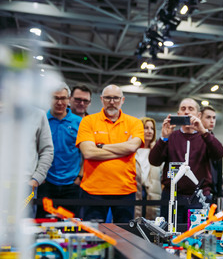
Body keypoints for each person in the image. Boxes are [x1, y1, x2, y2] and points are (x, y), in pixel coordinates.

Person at [149, 98, 223, 223]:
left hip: (199, 197)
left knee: (197, 237)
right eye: (183, 109)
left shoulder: (205, 137)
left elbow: (219, 154)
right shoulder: (171, 136)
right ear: (178, 114)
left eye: (191, 109)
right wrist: (163, 138)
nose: (186, 112)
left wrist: (204, 132)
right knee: (170, 236)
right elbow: (154, 161)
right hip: (172, 196)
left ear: (198, 115)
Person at [76, 84, 144, 223]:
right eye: (108, 98)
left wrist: (100, 146)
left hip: (125, 190)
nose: (112, 102)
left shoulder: (134, 123)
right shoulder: (88, 121)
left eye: (115, 98)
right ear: (101, 99)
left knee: (125, 238)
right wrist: (123, 150)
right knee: (93, 239)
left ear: (122, 100)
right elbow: (88, 152)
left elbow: (132, 147)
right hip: (93, 191)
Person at [36, 83, 82, 218]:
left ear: (69, 99)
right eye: (55, 98)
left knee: (70, 225)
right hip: (46, 182)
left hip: (71, 183)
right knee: (43, 223)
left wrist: (80, 176)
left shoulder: (79, 122)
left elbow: (84, 153)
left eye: (63, 98)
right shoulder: (41, 119)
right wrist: (39, 175)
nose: (60, 102)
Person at [28, 107, 54, 216]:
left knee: (25, 229)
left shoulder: (38, 115)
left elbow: (47, 150)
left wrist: (36, 179)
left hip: (27, 185)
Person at [134, 117, 162, 220]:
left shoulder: (157, 151)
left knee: (151, 223)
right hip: (135, 192)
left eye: (152, 128)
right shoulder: (132, 150)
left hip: (153, 195)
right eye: (146, 128)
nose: (149, 131)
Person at [201, 105, 223, 201]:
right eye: (208, 117)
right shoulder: (194, 141)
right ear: (199, 117)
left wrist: (219, 193)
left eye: (214, 118)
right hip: (197, 190)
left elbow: (219, 170)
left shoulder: (216, 144)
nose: (212, 121)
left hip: (212, 192)